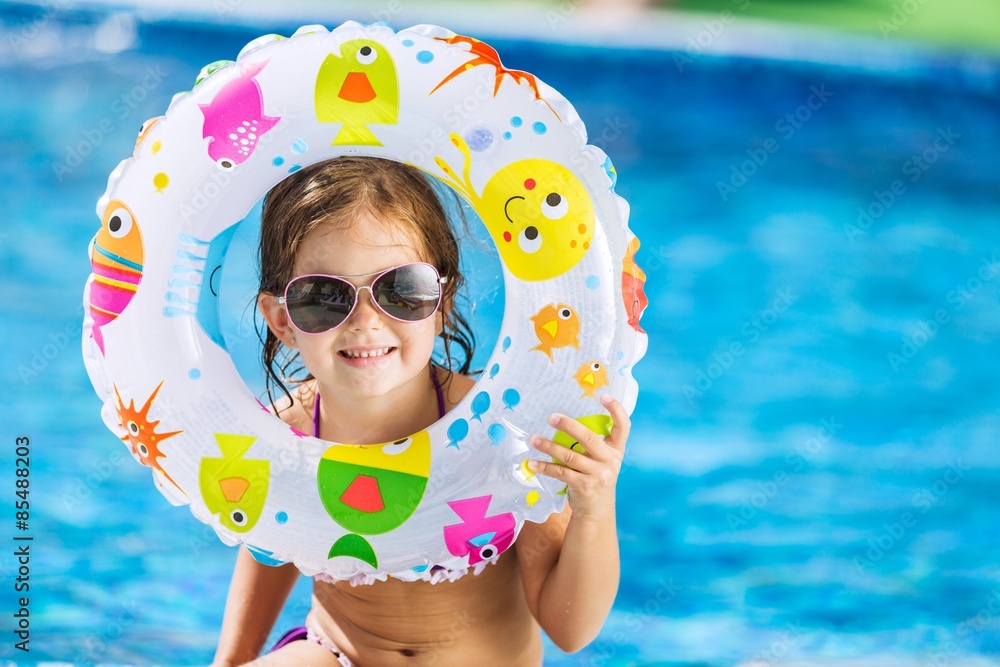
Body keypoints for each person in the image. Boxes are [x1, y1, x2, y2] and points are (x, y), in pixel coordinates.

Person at [210, 156, 632, 666]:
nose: (365, 322)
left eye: (401, 290)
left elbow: (570, 630)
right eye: (324, 297)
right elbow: (273, 545)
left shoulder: (501, 430)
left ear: (442, 302)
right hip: (337, 653)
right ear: (282, 320)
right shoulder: (287, 431)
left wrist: (594, 508)